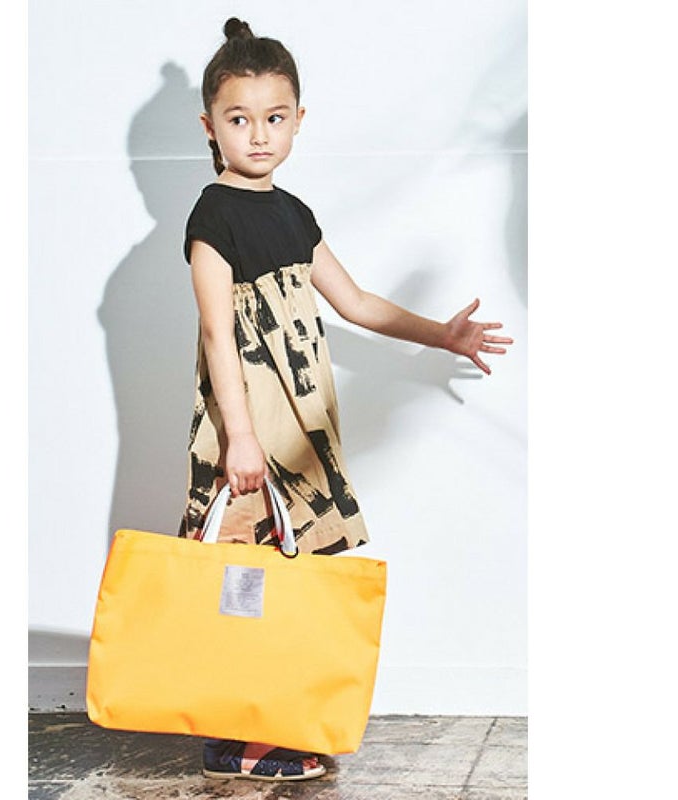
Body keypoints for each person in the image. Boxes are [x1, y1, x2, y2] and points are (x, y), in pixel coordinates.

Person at [179, 17, 513, 782]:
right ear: (210, 127)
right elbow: (217, 331)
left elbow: (356, 302)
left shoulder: (293, 213)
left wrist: (442, 335)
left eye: (274, 118)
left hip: (301, 427)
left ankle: (271, 721)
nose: (258, 135)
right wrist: (239, 436)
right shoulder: (213, 216)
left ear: (298, 119)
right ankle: (233, 736)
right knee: (242, 581)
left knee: (290, 576)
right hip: (250, 423)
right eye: (239, 119)